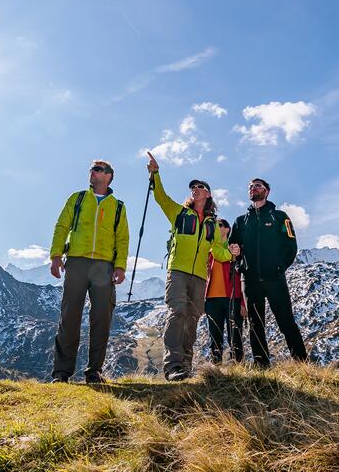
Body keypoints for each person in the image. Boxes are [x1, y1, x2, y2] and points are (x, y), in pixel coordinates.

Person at [146, 152, 239, 381]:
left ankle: (185, 366)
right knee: (177, 312)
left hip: (199, 277)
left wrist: (231, 254)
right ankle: (173, 365)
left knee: (193, 317)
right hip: (177, 271)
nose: (194, 189)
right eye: (192, 187)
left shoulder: (211, 224)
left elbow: (217, 250)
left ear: (207, 194)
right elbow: (160, 197)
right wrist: (155, 174)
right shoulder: (179, 213)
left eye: (199, 186)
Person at [50, 159, 129, 383]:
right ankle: (61, 373)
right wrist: (56, 255)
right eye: (91, 170)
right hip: (76, 262)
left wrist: (120, 266)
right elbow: (62, 226)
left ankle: (94, 371)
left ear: (108, 176)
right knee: (69, 317)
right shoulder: (77, 199)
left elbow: (122, 239)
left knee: (101, 318)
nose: (92, 173)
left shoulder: (118, 207)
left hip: (104, 267)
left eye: (97, 170)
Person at [229, 178, 307, 368]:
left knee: (286, 321)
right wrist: (239, 261)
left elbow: (291, 246)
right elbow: (232, 247)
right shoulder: (240, 221)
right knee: (255, 325)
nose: (253, 189)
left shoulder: (280, 217)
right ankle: (261, 366)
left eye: (257, 186)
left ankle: (302, 364)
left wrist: (279, 268)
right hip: (250, 281)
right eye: (250, 187)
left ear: (267, 191)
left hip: (275, 279)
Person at [205, 218, 247, 364]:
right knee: (214, 334)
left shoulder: (234, 249)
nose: (216, 227)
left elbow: (242, 276)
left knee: (234, 334)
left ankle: (237, 365)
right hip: (211, 300)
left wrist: (243, 301)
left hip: (232, 298)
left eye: (220, 225)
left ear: (227, 229)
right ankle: (214, 366)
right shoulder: (209, 249)